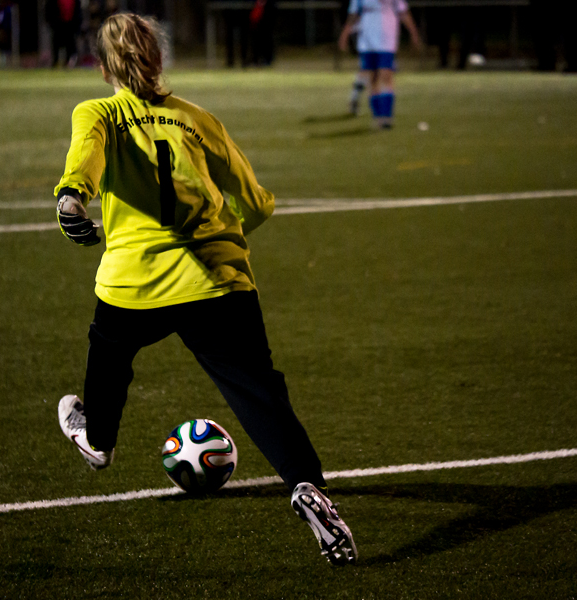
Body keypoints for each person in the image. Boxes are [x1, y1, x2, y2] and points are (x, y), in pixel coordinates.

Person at [53, 12, 358, 566]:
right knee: (261, 394)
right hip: (218, 278)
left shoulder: (97, 111)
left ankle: (98, 438)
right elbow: (256, 202)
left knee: (109, 350)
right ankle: (307, 486)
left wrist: (72, 198)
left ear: (102, 70)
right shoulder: (198, 119)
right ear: (159, 60)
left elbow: (86, 156)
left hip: (136, 280)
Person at [339, 0, 422, 129]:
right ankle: (378, 117)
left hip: (386, 37)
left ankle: (387, 117)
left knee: (386, 75)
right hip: (366, 38)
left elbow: (403, 12)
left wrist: (413, 32)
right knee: (373, 78)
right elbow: (353, 15)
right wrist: (344, 34)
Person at [46, 0, 82, 68]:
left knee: (70, 46)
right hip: (57, 25)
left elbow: (78, 11)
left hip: (71, 26)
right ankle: (55, 62)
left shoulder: (75, 1)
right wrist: (51, 23)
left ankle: (69, 63)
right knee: (56, 45)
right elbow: (49, 10)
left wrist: (77, 26)